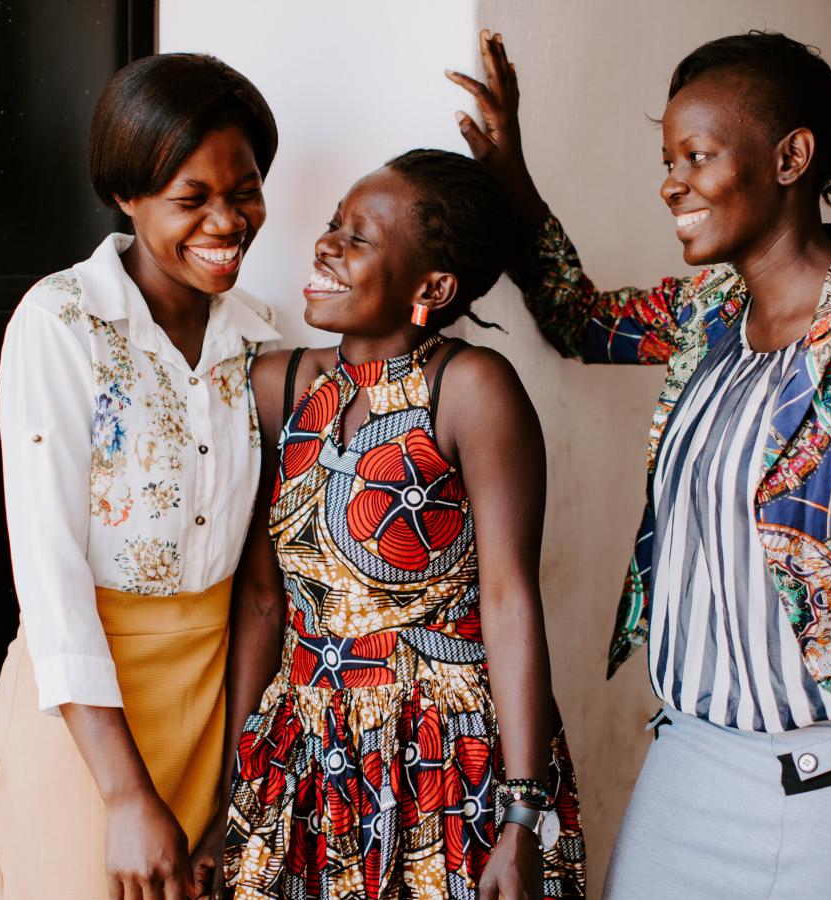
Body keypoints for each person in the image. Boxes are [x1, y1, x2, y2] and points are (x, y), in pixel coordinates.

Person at [447, 28, 831, 898]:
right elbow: (576, 318)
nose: (672, 181)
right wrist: (513, 182)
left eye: (696, 155)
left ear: (791, 157)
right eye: (667, 158)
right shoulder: (708, 313)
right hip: (691, 759)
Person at [210, 149, 586, 900]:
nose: (326, 247)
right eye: (331, 228)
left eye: (358, 237)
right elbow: (261, 601)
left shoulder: (469, 389)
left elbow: (509, 601)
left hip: (444, 763)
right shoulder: (275, 385)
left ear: (432, 286)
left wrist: (520, 815)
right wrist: (230, 792)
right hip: (305, 753)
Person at [0, 53, 281, 900]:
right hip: (83, 719)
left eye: (246, 190)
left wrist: (236, 785)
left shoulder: (262, 340)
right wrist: (123, 794)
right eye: (192, 199)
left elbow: (263, 580)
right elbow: (50, 573)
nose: (227, 222)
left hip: (214, 710)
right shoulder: (61, 323)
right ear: (126, 194)